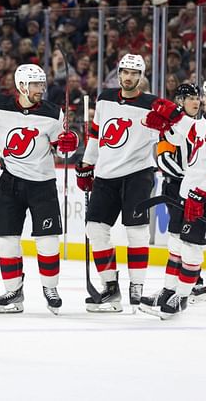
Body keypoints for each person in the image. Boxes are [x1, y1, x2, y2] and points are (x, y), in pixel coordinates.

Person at [0, 63, 78, 315]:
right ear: (21, 86)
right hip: (10, 182)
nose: (41, 89)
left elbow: (64, 148)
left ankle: (50, 289)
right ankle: (13, 291)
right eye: (35, 85)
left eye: (42, 84)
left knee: (49, 242)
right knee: (6, 242)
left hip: (42, 184)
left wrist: (70, 142)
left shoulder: (53, 113)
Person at [140, 75, 206, 319]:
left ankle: (182, 296)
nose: (203, 100)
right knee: (177, 244)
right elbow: (188, 129)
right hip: (194, 195)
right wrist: (170, 120)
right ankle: (169, 290)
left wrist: (200, 195)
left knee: (191, 247)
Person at [75, 54, 159, 313]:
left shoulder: (152, 104)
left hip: (138, 174)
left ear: (141, 76)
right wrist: (88, 164)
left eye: (135, 73)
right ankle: (110, 287)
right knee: (95, 228)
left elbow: (170, 135)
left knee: (136, 232)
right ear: (119, 73)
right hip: (106, 175)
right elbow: (96, 134)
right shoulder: (105, 98)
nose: (129, 77)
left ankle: (137, 286)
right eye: (125, 72)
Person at [148, 83, 206, 310]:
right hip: (175, 188)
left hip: (194, 189)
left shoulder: (205, 126)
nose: (196, 101)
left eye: (197, 97)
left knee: (188, 238)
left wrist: (194, 180)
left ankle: (194, 283)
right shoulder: (170, 125)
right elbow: (164, 161)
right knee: (176, 237)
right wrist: (189, 177)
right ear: (180, 101)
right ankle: (177, 286)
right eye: (190, 97)